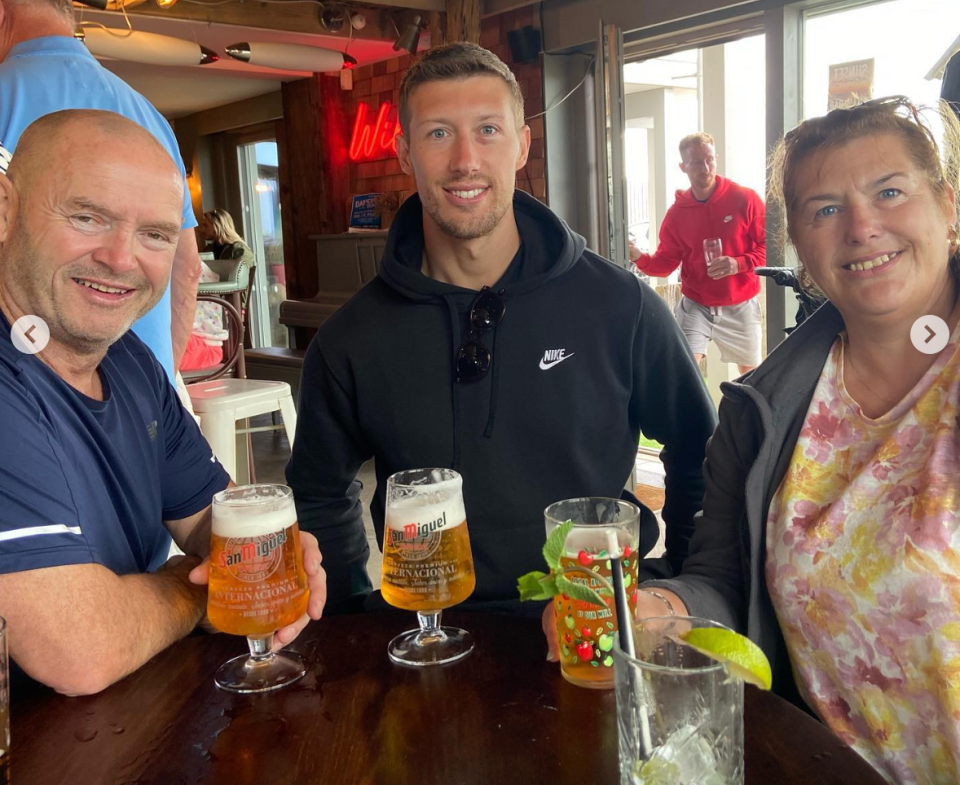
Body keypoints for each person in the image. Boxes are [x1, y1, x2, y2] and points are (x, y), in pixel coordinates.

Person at [287, 42, 717, 615]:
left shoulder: (620, 304)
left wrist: (678, 585)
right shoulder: (351, 337)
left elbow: (701, 453)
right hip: (425, 636)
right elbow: (319, 491)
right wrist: (348, 616)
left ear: (522, 145)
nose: (465, 159)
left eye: (488, 129)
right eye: (438, 133)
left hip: (591, 631)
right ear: (403, 151)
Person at [626, 97, 960, 784]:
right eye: (826, 208)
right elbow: (724, 578)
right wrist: (661, 608)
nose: (863, 227)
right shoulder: (760, 411)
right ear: (802, 248)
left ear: (948, 205)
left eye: (890, 191)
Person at [0, 110, 326, 696]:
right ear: (4, 208)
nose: (121, 260)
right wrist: (201, 588)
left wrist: (262, 556)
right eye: (86, 216)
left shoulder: (128, 364)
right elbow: (79, 650)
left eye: (154, 233)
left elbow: (209, 519)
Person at [0, 0, 200, 384]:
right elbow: (186, 266)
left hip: (25, 402)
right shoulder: (149, 116)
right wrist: (161, 380)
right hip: (146, 399)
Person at [631, 133, 765, 374]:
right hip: (697, 305)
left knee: (751, 381)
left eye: (710, 160)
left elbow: (770, 248)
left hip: (740, 303)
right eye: (696, 163)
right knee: (684, 373)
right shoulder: (677, 214)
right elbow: (664, 264)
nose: (706, 168)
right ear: (683, 167)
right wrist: (638, 256)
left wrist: (739, 264)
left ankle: (741, 413)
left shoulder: (745, 199)